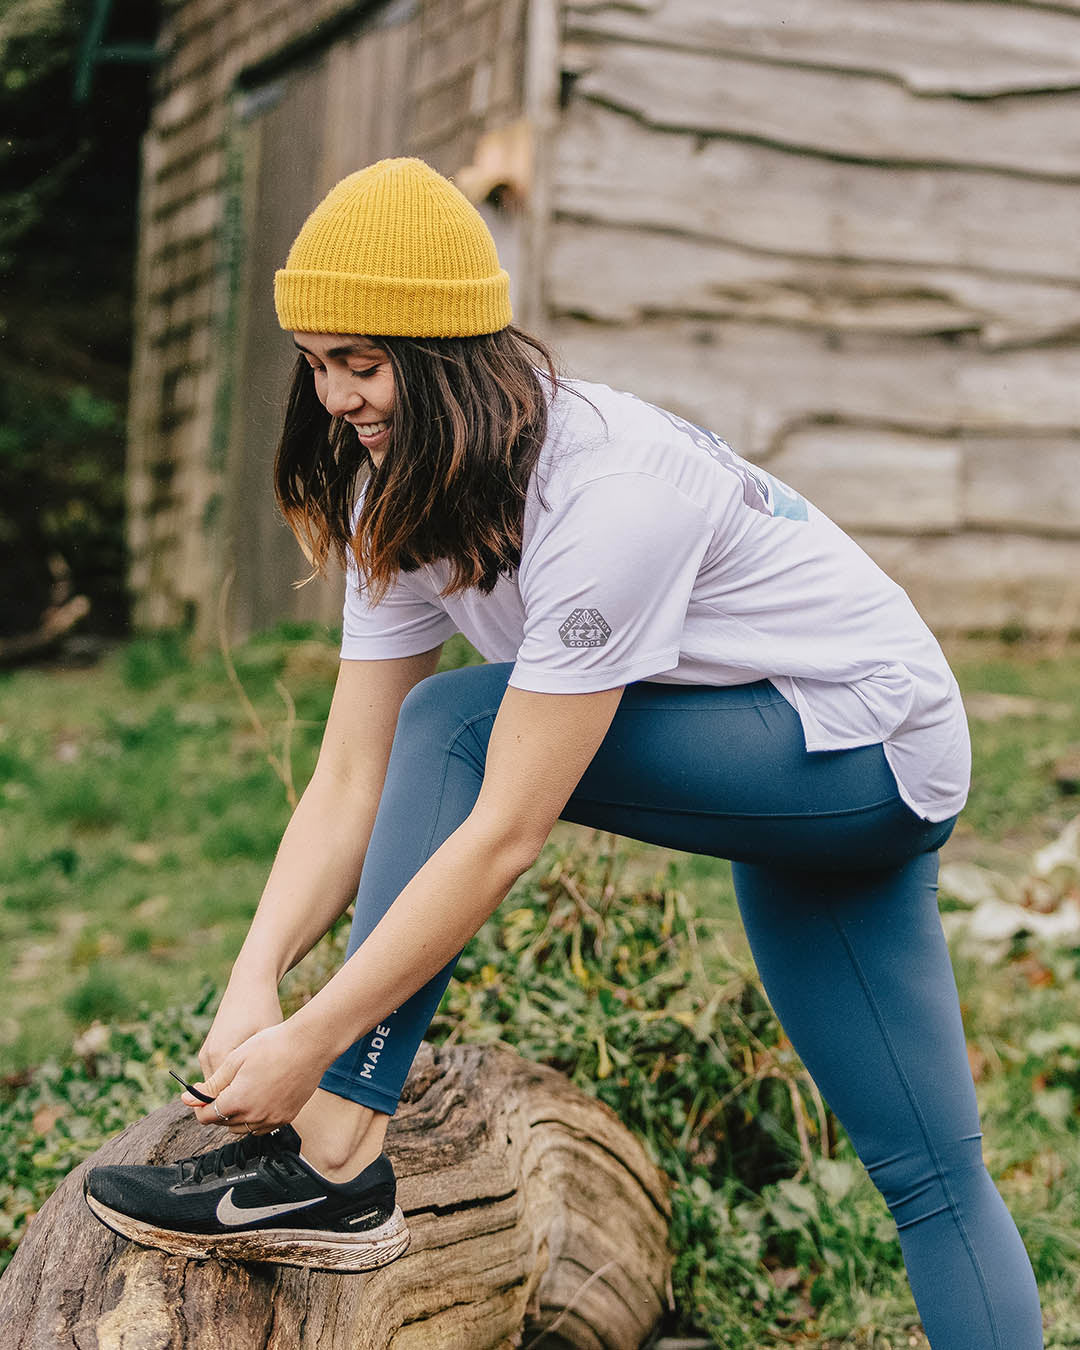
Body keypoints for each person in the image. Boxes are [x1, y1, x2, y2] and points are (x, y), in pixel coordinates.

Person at [85, 158, 1043, 1347]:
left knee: (460, 725)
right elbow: (349, 777)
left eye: (364, 363)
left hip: (865, 751)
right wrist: (254, 979)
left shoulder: (609, 490)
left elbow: (504, 831)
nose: (336, 398)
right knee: (931, 1175)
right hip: (784, 784)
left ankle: (338, 1152)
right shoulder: (408, 491)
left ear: (448, 358)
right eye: (318, 364)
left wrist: (318, 1043)